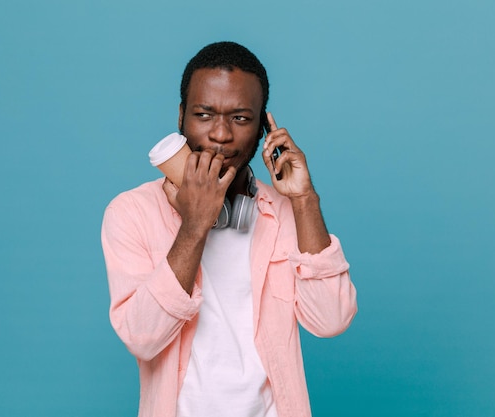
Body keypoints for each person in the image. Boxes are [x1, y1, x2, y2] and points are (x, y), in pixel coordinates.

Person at [101, 41, 357, 417]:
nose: (220, 135)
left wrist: (304, 200)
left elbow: (331, 320)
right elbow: (142, 337)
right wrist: (195, 225)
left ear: (262, 129)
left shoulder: (285, 212)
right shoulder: (131, 213)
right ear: (180, 118)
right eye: (204, 115)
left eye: (240, 118)